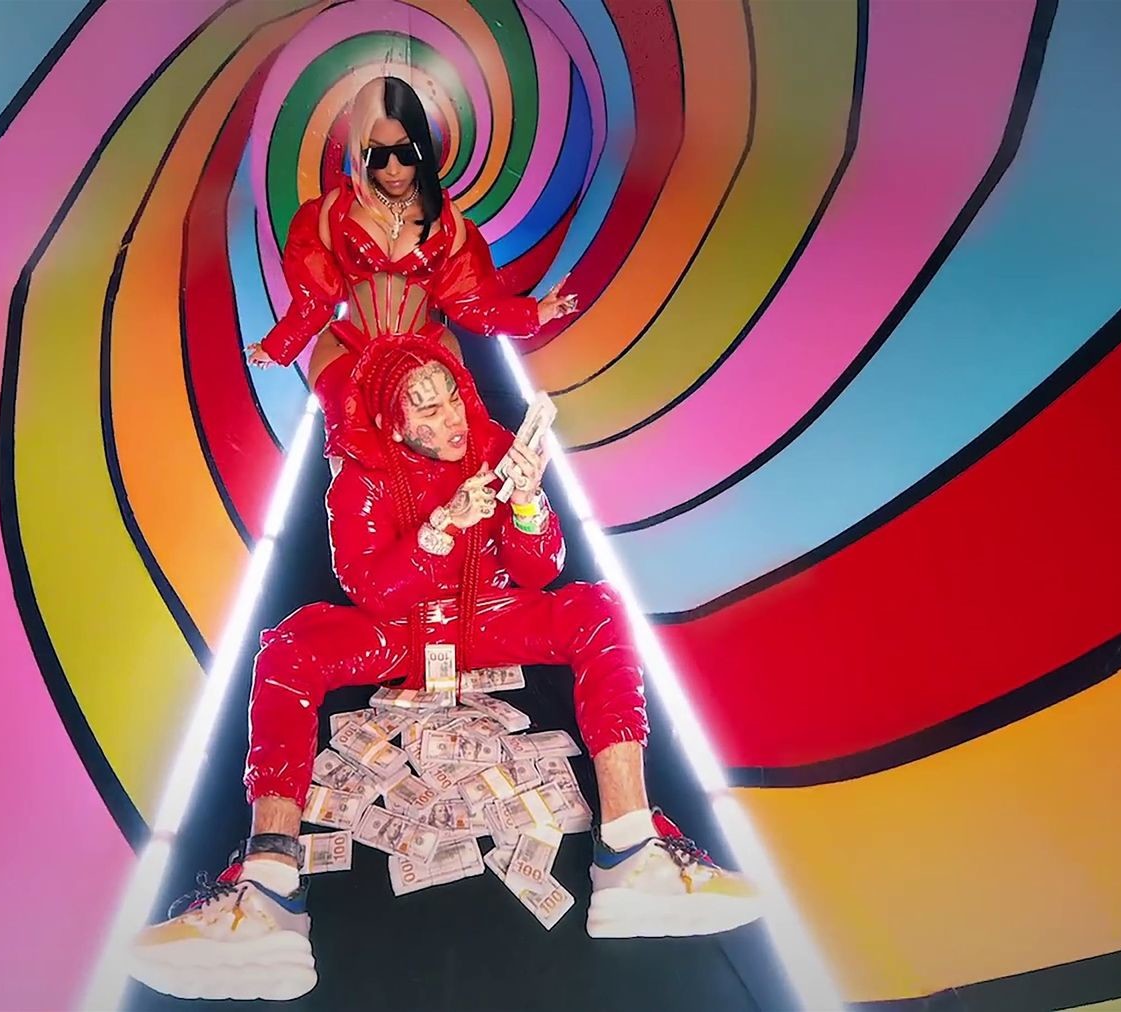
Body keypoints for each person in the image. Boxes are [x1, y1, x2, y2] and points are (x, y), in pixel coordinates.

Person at [129, 338, 760, 1002]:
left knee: (597, 607)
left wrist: (527, 503)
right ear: (395, 424)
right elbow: (372, 590)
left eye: (452, 395)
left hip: (485, 613)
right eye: (426, 411)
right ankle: (268, 888)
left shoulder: (493, 444)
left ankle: (631, 848)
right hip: (400, 628)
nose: (452, 419)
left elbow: (538, 572)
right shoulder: (359, 476)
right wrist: (444, 526)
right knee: (288, 647)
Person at [245, 75, 578, 457]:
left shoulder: (447, 220)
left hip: (424, 350)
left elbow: (471, 302)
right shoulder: (331, 211)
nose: (392, 169)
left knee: (447, 441)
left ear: (421, 147)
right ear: (360, 151)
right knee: (354, 438)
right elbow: (314, 298)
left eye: (405, 153)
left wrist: (534, 313)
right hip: (350, 348)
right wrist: (278, 345)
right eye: (377, 155)